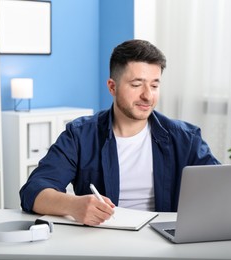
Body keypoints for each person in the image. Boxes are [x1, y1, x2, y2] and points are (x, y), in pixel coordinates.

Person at [20, 39, 219, 226]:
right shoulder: (80, 135)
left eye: (154, 85)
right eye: (136, 85)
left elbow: (223, 187)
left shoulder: (185, 138)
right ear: (112, 87)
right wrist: (73, 205)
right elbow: (33, 191)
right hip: (102, 241)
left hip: (165, 242)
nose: (147, 95)